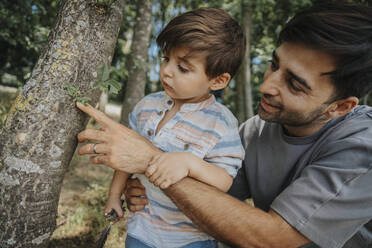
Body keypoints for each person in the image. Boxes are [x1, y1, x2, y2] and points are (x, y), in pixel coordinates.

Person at [77, 2, 372, 248]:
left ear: (340, 107)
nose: (266, 85)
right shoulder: (253, 132)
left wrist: (151, 161)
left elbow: (272, 239)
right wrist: (141, 188)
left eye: (294, 85)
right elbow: (209, 200)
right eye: (273, 64)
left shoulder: (363, 148)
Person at [99, 7, 245, 248]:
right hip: (142, 229)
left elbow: (224, 180)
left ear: (218, 80)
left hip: (190, 238)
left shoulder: (221, 123)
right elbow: (126, 157)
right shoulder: (147, 106)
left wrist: (189, 163)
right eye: (166, 59)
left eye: (183, 68)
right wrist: (115, 195)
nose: (166, 71)